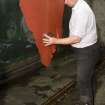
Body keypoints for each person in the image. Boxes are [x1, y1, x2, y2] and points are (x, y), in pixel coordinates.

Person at [43, 0, 100, 105]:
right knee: (89, 77)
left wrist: (55, 41)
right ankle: (92, 97)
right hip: (88, 49)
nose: (64, 3)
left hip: (87, 52)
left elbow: (75, 39)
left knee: (83, 81)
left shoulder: (81, 11)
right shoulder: (79, 3)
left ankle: (87, 103)